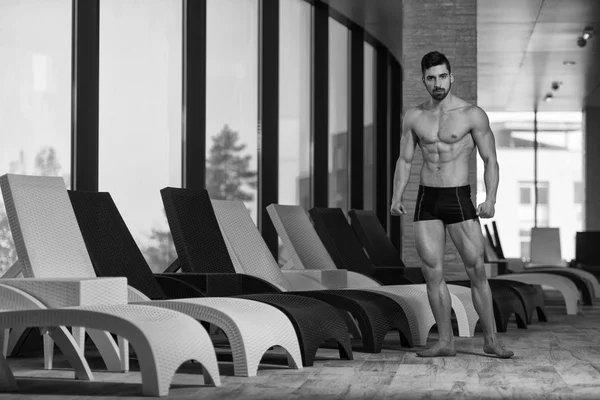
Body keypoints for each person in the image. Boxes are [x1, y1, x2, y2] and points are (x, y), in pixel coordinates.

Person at [390, 51, 513, 359]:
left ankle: (492, 341)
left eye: (443, 76)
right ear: (424, 81)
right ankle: (445, 341)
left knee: (476, 271)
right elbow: (405, 160)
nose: (438, 83)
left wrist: (491, 199)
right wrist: (396, 197)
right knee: (432, 272)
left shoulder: (472, 114)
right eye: (431, 78)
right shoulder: (414, 116)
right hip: (426, 200)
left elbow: (491, 160)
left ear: (451, 77)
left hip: (459, 198)